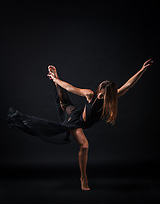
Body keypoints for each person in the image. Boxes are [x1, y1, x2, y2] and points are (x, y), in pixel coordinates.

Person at [7, 59, 153, 191]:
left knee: (64, 101)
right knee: (83, 144)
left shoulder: (113, 98)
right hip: (75, 120)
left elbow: (128, 85)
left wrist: (141, 70)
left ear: (110, 95)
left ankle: (55, 79)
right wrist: (56, 78)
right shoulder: (90, 95)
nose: (100, 95)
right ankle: (83, 179)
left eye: (103, 94)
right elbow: (71, 88)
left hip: (76, 115)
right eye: (100, 92)